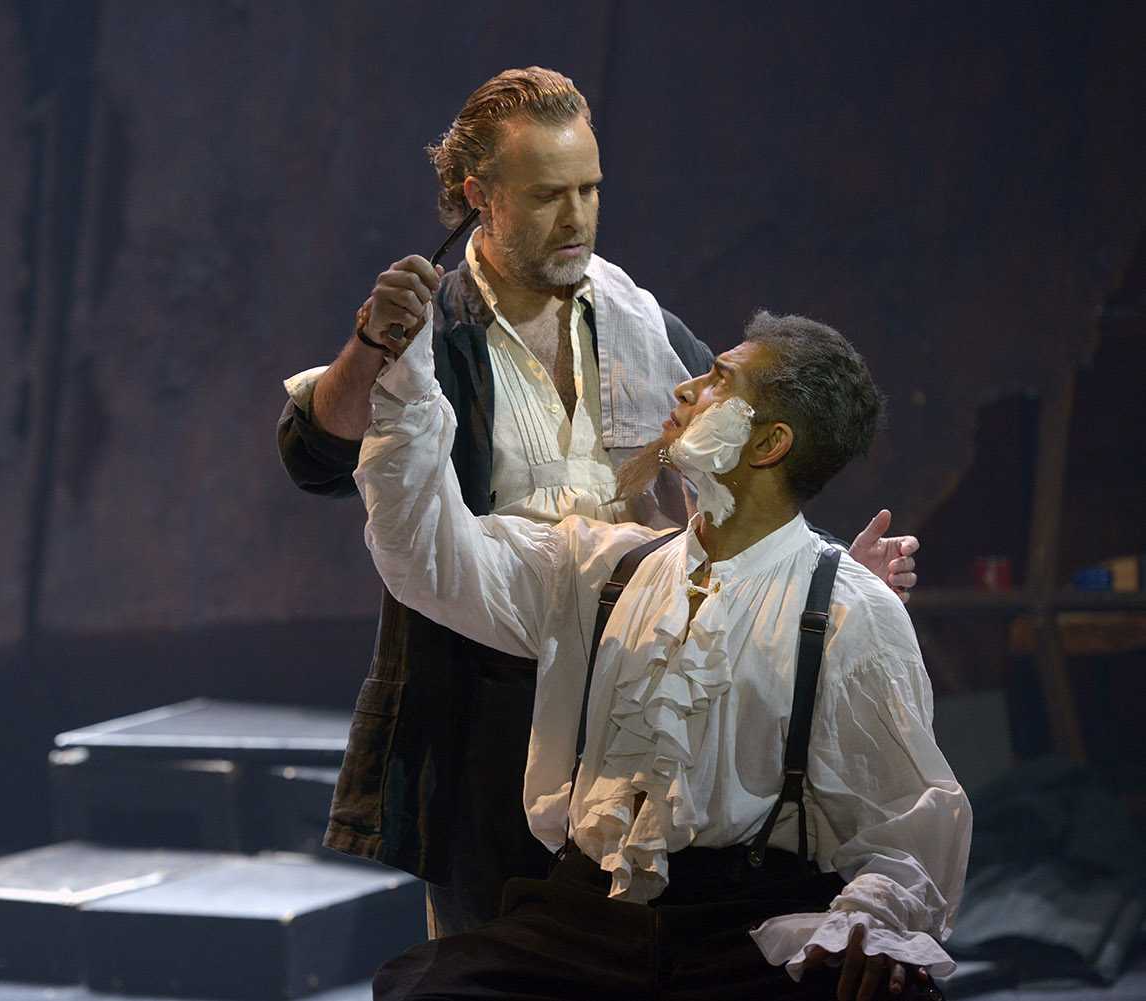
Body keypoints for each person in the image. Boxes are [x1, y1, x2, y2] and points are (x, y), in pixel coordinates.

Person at [277, 67, 922, 937]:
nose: (576, 217)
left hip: (634, 695)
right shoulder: (440, 326)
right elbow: (314, 457)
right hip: (488, 714)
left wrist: (832, 581)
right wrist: (371, 347)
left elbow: (745, 450)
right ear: (479, 195)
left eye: (589, 189)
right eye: (548, 195)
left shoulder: (630, 316)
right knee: (496, 963)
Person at [356, 308, 970, 1000]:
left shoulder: (851, 610)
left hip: (746, 923)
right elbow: (428, 553)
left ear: (769, 443)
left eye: (718, 380)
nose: (684, 388)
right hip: (586, 917)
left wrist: (870, 921)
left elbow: (903, 819)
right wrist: (405, 372)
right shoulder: (603, 570)